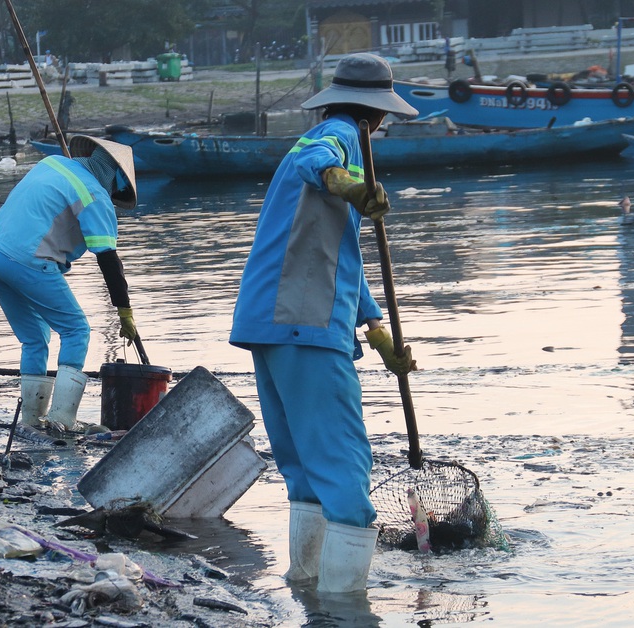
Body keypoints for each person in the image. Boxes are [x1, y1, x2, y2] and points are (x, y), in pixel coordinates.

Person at [228, 53, 419, 594]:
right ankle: (346, 609)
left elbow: (341, 263)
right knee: (347, 474)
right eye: (382, 119)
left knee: (307, 473)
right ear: (374, 115)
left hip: (272, 323)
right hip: (304, 324)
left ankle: (306, 587)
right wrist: (351, 185)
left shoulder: (333, 146)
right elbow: (320, 159)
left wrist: (379, 335)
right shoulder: (338, 137)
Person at [0, 135, 140, 430]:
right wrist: (124, 311)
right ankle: (62, 419)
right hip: (27, 260)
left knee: (34, 338)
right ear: (114, 175)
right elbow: (108, 259)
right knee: (76, 329)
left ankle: (30, 421)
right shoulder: (95, 195)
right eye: (118, 186)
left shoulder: (51, 164)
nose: (115, 192)